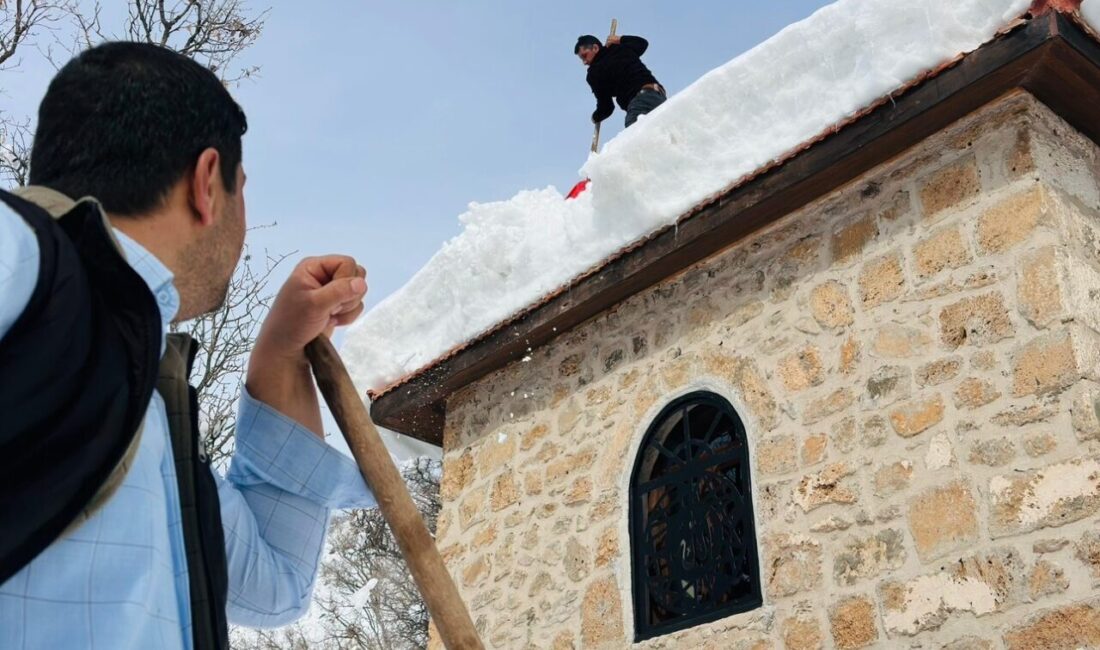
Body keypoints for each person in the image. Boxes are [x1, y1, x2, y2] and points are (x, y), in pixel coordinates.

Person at [0, 42, 376, 649]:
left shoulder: (143, 400)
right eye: (242, 187)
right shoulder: (23, 255)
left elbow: (275, 584)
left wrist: (280, 356)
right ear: (207, 183)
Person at [575, 33, 666, 128]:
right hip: (658, 95)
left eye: (584, 56)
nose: (584, 62)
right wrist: (620, 39)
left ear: (595, 48)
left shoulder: (594, 72)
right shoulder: (620, 48)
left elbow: (606, 107)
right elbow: (642, 43)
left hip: (640, 101)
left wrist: (595, 117)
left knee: (634, 136)